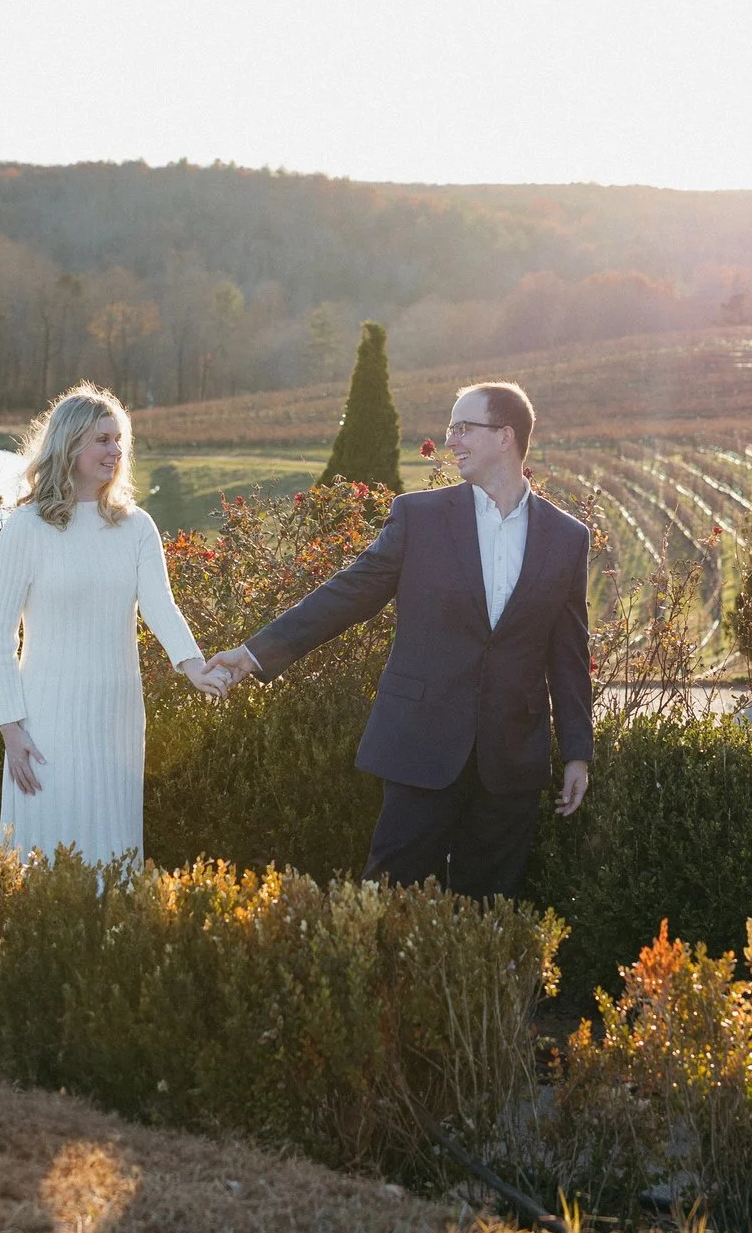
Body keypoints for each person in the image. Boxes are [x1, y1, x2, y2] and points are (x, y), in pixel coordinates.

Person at [207, 382, 591, 898]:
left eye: (462, 428)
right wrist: (255, 654)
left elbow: (568, 655)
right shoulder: (420, 518)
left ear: (505, 436)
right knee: (388, 899)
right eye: (450, 428)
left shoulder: (567, 538)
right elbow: (347, 595)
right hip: (420, 745)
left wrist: (575, 753)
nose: (450, 440)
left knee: (491, 910)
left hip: (512, 761)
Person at [0, 383, 227, 864]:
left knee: (111, 846)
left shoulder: (136, 527)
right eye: (102, 440)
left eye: (119, 440)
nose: (115, 451)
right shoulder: (25, 529)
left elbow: (161, 606)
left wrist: (193, 664)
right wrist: (11, 728)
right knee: (45, 849)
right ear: (68, 444)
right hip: (45, 719)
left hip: (116, 714)